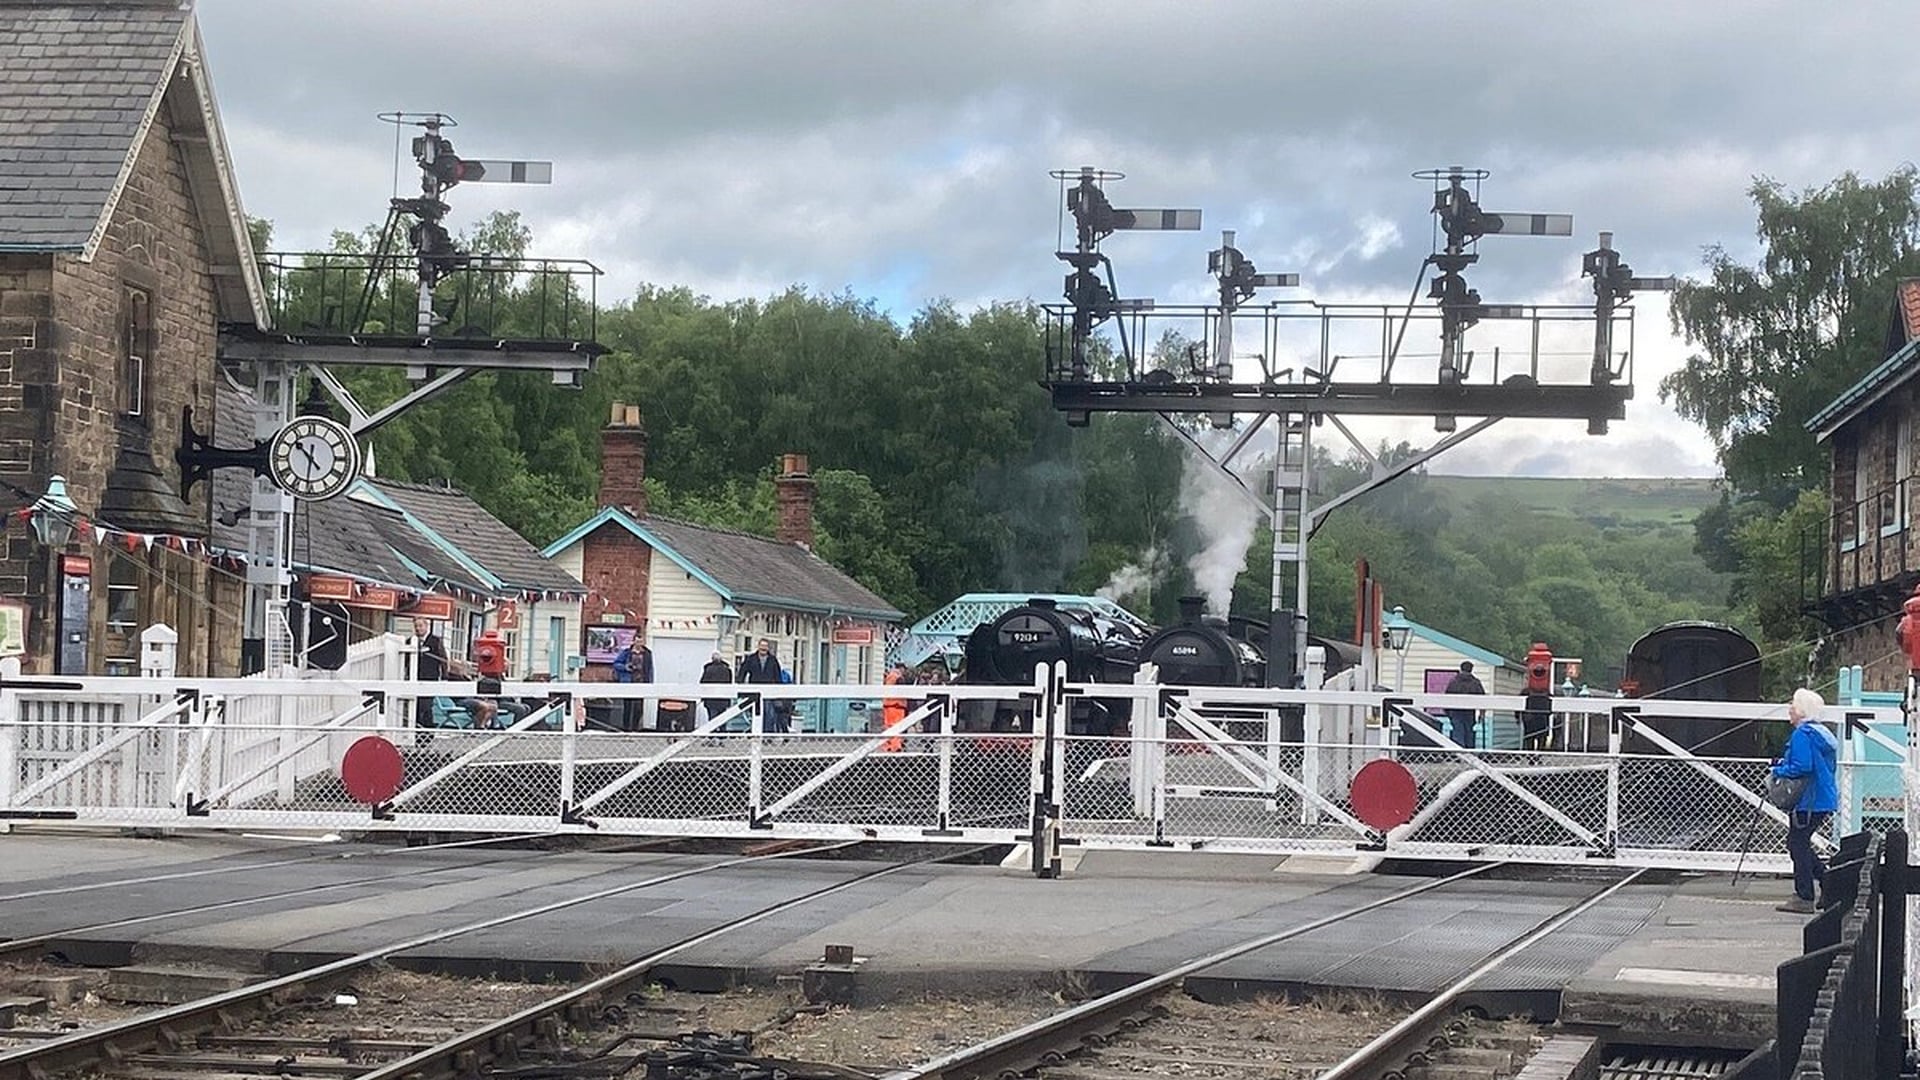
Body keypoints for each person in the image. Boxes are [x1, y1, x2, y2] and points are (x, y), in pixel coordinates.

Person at [1772, 687, 1839, 914]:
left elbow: (1802, 766)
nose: (1789, 708)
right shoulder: (1821, 733)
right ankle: (1829, 884)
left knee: (1797, 844)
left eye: (1793, 704)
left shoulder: (1802, 734)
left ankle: (1804, 895)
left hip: (1807, 801)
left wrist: (1779, 769)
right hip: (1821, 798)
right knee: (1798, 842)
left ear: (1801, 710)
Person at [737, 639, 783, 732]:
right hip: (754, 692)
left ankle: (767, 735)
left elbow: (778, 676)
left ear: (768, 648)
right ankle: (756, 734)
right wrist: (740, 686)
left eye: (765, 646)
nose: (763, 648)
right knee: (756, 713)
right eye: (762, 646)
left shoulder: (773, 660)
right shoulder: (751, 659)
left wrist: (779, 691)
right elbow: (743, 672)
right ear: (758, 646)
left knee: (769, 714)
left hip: (768, 692)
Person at [612, 636, 654, 732]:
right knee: (628, 706)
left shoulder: (647, 654)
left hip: (642, 683)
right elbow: (616, 664)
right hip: (629, 682)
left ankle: (635, 728)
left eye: (641, 641)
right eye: (637, 641)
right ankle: (626, 728)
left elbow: (650, 669)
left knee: (639, 708)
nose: (639, 643)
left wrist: (651, 683)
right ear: (633, 641)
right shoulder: (627, 652)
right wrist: (626, 667)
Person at [1442, 661, 1485, 749]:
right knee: (1469, 733)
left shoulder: (1453, 682)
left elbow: (1446, 698)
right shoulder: (1475, 683)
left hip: (1455, 712)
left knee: (1457, 733)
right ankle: (1469, 754)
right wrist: (1482, 713)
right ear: (1471, 669)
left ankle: (1458, 754)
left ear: (1461, 668)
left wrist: (1448, 713)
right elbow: (1482, 699)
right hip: (1469, 712)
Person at [700, 651, 733, 726]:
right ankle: (722, 735)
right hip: (723, 699)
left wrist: (703, 697)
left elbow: (703, 683)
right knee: (722, 720)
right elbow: (729, 684)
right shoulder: (727, 670)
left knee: (712, 720)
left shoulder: (708, 669)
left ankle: (712, 736)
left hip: (711, 699)